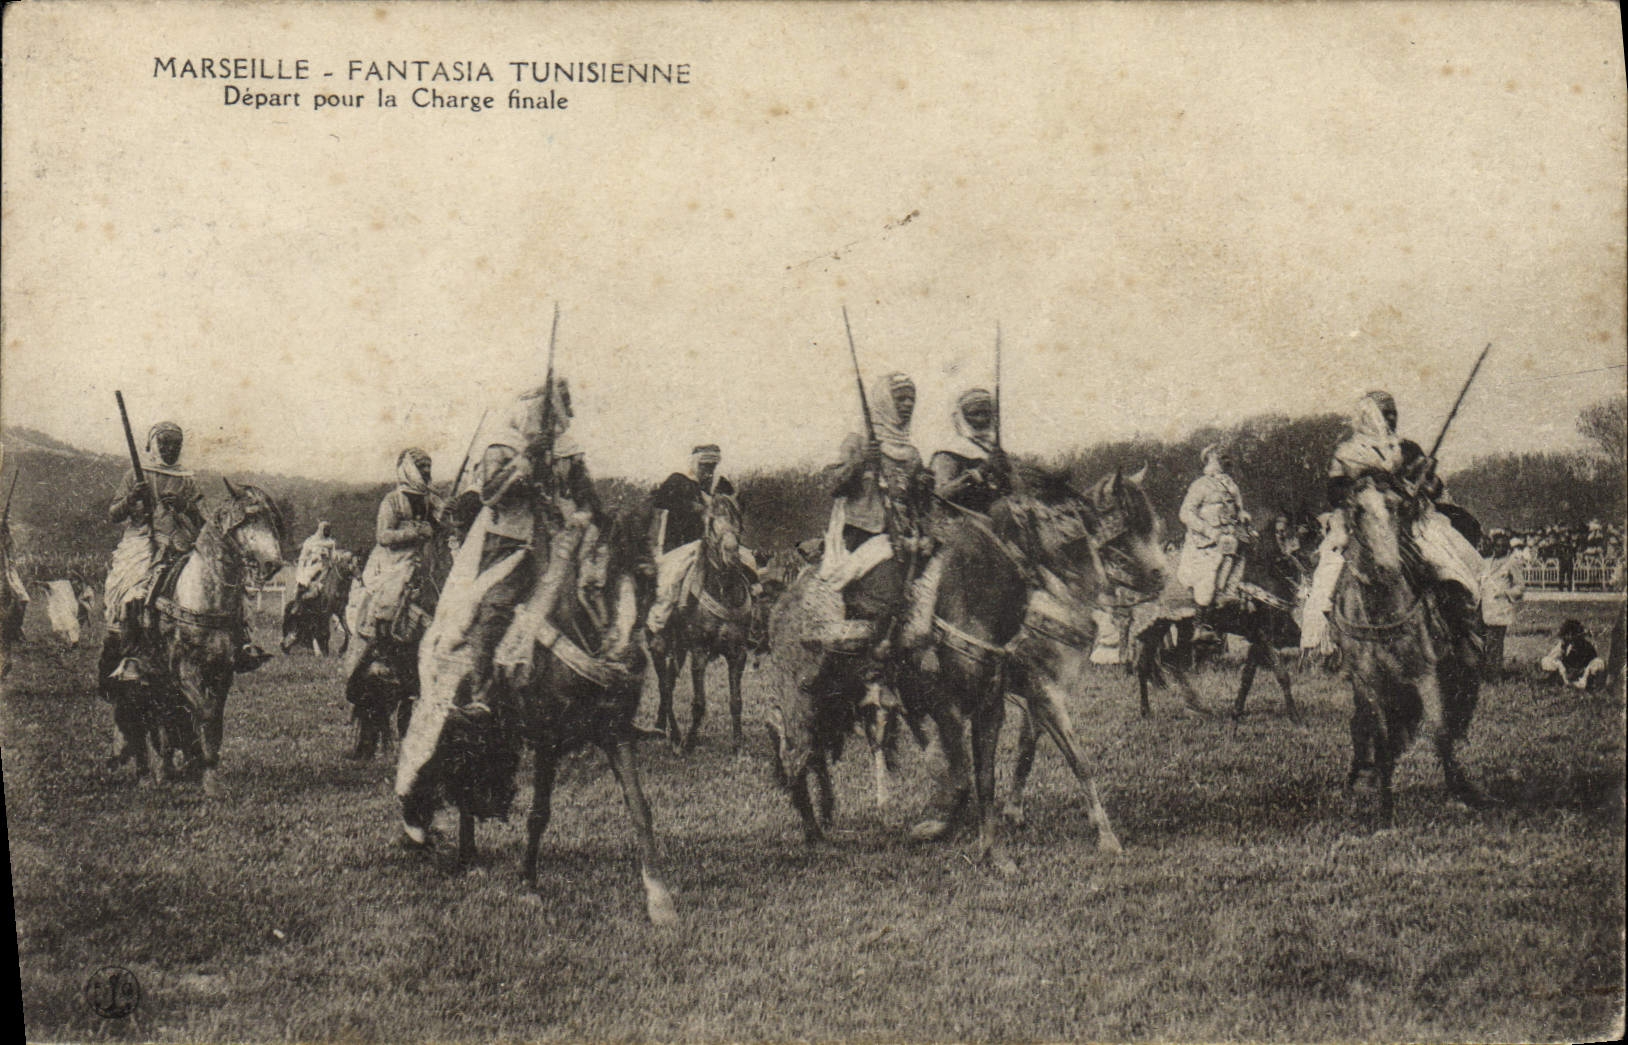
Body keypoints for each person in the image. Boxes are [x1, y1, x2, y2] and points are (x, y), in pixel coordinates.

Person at [396, 377, 613, 843]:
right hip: (506, 550)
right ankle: (479, 693)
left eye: (558, 416)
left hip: (553, 551)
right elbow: (490, 494)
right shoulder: (502, 445)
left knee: (595, 606)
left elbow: (584, 494)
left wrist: (584, 510)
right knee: (492, 611)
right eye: (547, 414)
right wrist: (524, 465)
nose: (554, 422)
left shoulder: (562, 450)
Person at [1302, 391, 1487, 733]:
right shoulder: (1347, 453)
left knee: (1447, 569)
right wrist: (1367, 496)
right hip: (1363, 527)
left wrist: (1425, 482)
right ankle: (1332, 643)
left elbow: (1434, 488)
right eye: (1384, 413)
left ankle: (1461, 636)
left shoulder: (1407, 449)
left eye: (1393, 413)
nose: (1390, 419)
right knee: (1328, 575)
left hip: (1408, 526)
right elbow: (1335, 493)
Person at [100, 421, 266, 684]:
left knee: (224, 583)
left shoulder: (187, 479)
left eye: (176, 444)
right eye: (164, 443)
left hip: (183, 541)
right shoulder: (136, 475)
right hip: (144, 541)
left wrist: (185, 506)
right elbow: (113, 514)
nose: (170, 449)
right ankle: (132, 656)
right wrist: (132, 498)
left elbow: (204, 521)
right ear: (153, 445)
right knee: (134, 589)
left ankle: (242, 642)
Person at [811, 370, 931, 672]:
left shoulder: (912, 454)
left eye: (911, 400)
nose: (907, 405)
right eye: (900, 399)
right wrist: (862, 460)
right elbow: (831, 484)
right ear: (884, 402)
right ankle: (868, 667)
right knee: (889, 595)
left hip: (906, 537)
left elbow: (921, 504)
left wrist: (924, 493)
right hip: (864, 537)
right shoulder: (857, 442)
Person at [341, 450, 443, 712]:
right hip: (394, 563)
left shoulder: (432, 500)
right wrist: (415, 532)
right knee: (390, 599)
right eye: (421, 467)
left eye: (428, 467)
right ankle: (382, 652)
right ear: (409, 470)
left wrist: (445, 517)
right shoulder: (393, 500)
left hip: (426, 560)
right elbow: (383, 536)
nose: (426, 472)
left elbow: (444, 524)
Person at [645, 444, 757, 639]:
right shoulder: (678, 481)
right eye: (704, 465)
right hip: (684, 543)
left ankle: (755, 620)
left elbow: (734, 508)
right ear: (695, 463)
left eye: (712, 466)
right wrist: (694, 507)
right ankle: (657, 626)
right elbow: (661, 500)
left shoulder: (721, 485)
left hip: (717, 543)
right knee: (671, 578)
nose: (708, 470)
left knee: (749, 562)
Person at [1177, 445, 1248, 639]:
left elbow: (1237, 509)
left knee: (1243, 560)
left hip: (1230, 538)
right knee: (1207, 579)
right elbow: (1185, 513)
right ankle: (1201, 625)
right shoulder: (1200, 485)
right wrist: (1208, 530)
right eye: (1218, 458)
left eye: (1224, 458)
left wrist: (1242, 515)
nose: (1223, 461)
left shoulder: (1231, 485)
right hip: (1204, 544)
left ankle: (1230, 600)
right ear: (1209, 460)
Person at [929, 387, 1011, 515]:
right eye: (975, 413)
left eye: (986, 413)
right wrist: (980, 472)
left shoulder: (994, 450)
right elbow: (939, 495)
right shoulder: (949, 452)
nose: (982, 419)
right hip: (961, 520)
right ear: (962, 416)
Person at [1479, 533, 1524, 681]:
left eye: (1503, 546)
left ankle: (1494, 675)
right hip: (1484, 608)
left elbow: (1520, 587)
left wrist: (1505, 593)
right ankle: (1485, 672)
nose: (1500, 549)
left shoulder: (1511, 563)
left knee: (1495, 644)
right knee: (1483, 642)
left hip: (1499, 609)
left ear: (1508, 548)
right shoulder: (1486, 562)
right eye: (1497, 546)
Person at [1540, 619, 1605, 691]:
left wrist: (1585, 674)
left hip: (1582, 675)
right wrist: (1560, 666)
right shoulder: (1563, 645)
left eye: (1573, 635)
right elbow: (1551, 658)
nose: (1568, 637)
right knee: (1547, 660)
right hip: (1566, 674)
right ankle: (1565, 682)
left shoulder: (1586, 646)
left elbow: (1593, 663)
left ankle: (1582, 684)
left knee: (1598, 662)